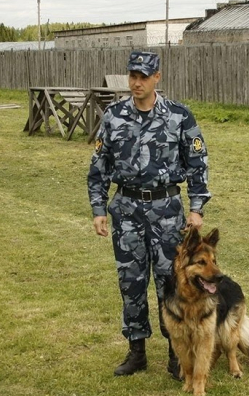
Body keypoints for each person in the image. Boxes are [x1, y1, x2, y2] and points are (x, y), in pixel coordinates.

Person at [87, 51, 211, 378]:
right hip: (126, 210)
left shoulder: (179, 116)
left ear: (158, 77)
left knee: (170, 283)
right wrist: (99, 209)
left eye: (143, 76)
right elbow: (98, 169)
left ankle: (175, 353)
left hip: (166, 210)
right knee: (131, 281)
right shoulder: (113, 117)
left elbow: (198, 164)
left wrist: (197, 208)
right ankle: (136, 351)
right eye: (132, 76)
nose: (136, 83)